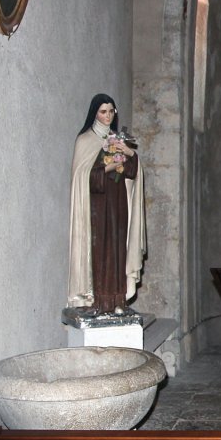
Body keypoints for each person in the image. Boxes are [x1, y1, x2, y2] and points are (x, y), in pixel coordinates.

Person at [68, 94, 146, 314]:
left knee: (118, 249)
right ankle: (100, 301)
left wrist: (130, 155)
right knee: (101, 252)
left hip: (118, 203)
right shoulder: (85, 140)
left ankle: (118, 300)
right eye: (103, 111)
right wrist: (111, 165)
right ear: (95, 113)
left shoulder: (117, 139)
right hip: (96, 209)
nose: (108, 116)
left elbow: (132, 171)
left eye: (111, 111)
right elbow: (85, 178)